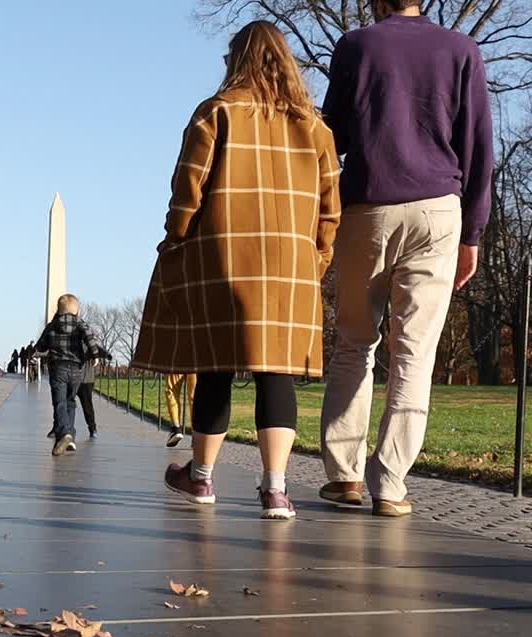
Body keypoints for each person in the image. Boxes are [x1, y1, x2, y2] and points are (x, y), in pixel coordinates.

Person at [132, 21, 341, 520]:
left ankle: (201, 479)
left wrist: (176, 239)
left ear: (236, 61)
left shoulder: (215, 112)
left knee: (215, 368)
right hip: (289, 264)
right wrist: (316, 258)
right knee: (277, 374)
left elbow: (189, 189)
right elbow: (330, 208)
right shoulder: (314, 126)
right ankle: (275, 489)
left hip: (222, 258)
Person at [318, 0, 492, 518]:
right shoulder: (462, 50)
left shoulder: (356, 46)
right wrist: (473, 234)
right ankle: (390, 483)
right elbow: (478, 145)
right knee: (415, 352)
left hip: (368, 206)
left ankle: (344, 474)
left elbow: (334, 138)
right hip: (439, 209)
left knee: (354, 341)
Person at [36, 293, 109, 457]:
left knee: (59, 402)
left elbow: (41, 346)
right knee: (71, 401)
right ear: (77, 311)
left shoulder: (51, 326)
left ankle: (66, 433)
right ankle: (70, 436)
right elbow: (90, 339)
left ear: (58, 310)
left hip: (58, 368)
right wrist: (95, 356)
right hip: (77, 369)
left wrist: (40, 350)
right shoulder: (81, 324)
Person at [163, 374, 197, 447]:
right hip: (194, 364)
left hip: (175, 363)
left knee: (171, 390)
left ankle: (176, 429)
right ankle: (197, 434)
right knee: (194, 396)